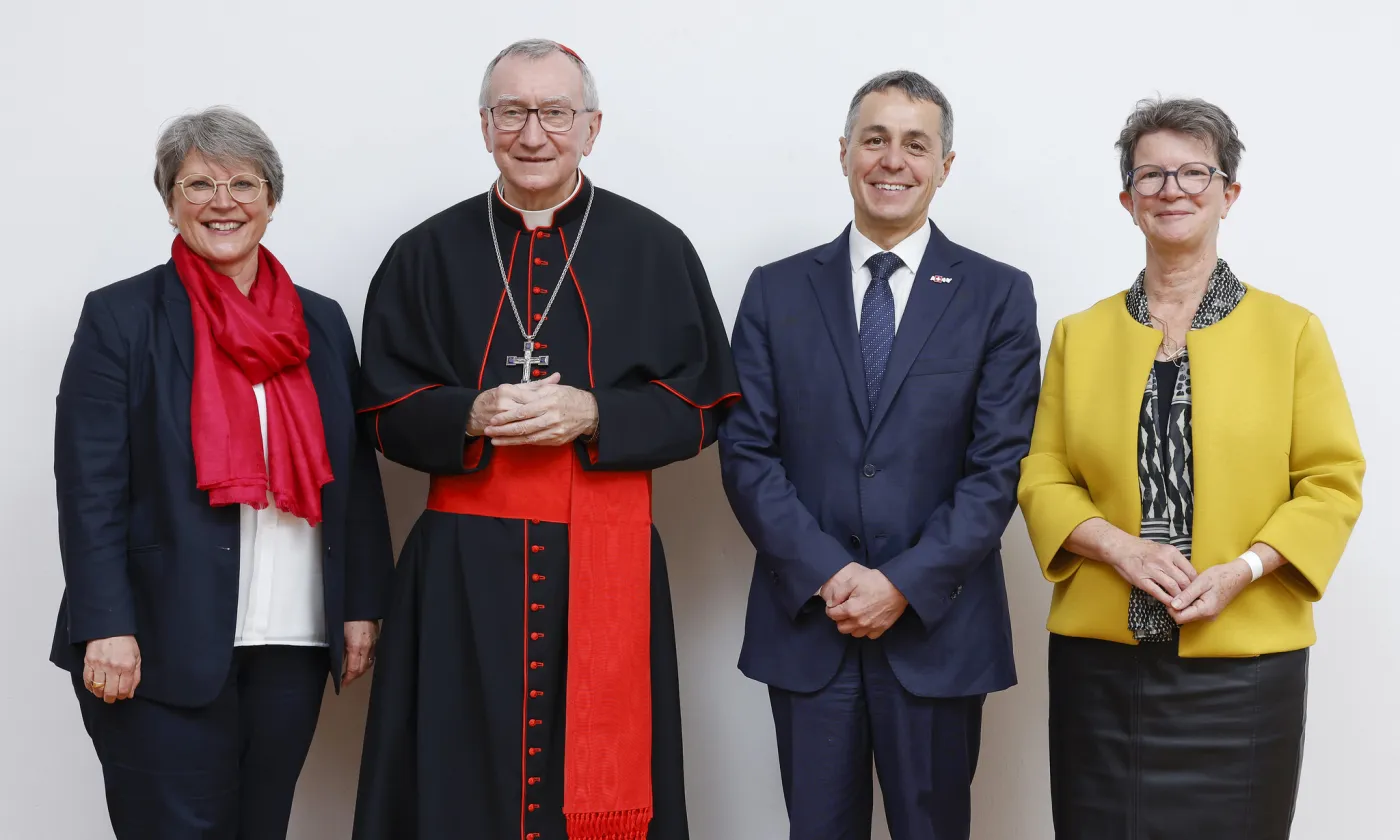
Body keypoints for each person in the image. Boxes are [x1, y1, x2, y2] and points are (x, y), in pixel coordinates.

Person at [350, 39, 740, 840]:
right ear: (484, 125)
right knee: (457, 776)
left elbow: (704, 406)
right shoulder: (426, 252)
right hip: (460, 570)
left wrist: (595, 414)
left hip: (606, 554)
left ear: (591, 127)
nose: (533, 134)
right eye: (512, 113)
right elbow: (379, 410)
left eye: (555, 113)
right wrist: (469, 413)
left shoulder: (655, 248)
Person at [1016, 97, 1365, 838]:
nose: (1171, 189)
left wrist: (1244, 569)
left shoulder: (1292, 332)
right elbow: (1044, 474)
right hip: (1101, 665)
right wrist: (1120, 547)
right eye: (1151, 176)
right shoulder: (1079, 335)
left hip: (1245, 668)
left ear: (1228, 194)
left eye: (1193, 172)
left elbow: (1331, 483)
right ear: (1128, 201)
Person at [49, 105, 394, 840]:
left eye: (243, 184)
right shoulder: (122, 317)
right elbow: (89, 488)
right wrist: (105, 624)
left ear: (271, 199)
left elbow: (354, 473)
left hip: (292, 635)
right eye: (199, 184)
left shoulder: (321, 321)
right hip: (157, 638)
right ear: (170, 202)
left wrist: (359, 602)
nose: (222, 202)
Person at [719, 70, 1041, 840]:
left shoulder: (997, 294)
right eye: (875, 139)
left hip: (937, 630)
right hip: (810, 624)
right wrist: (832, 574)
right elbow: (747, 452)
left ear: (944, 165)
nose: (893, 160)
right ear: (844, 153)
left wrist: (901, 583)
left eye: (915, 144)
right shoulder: (774, 291)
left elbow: (999, 467)